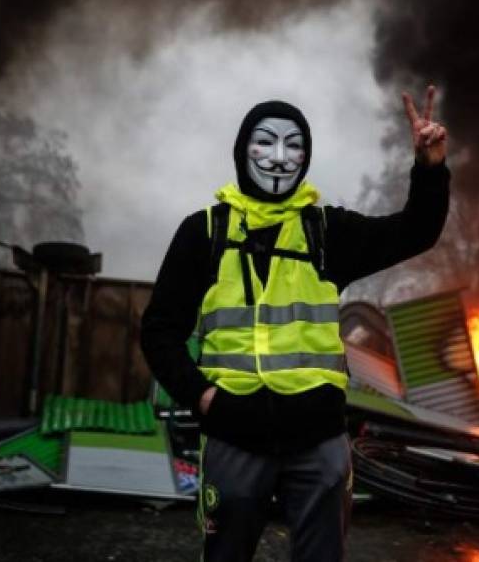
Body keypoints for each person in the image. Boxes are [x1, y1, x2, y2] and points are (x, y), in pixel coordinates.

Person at [140, 87, 449, 561]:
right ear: (243, 150)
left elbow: (415, 231)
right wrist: (203, 397)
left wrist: (429, 168)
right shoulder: (204, 233)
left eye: (294, 145)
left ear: (306, 157)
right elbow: (159, 330)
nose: (280, 158)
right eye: (265, 142)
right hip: (233, 434)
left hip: (318, 440)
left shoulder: (326, 232)